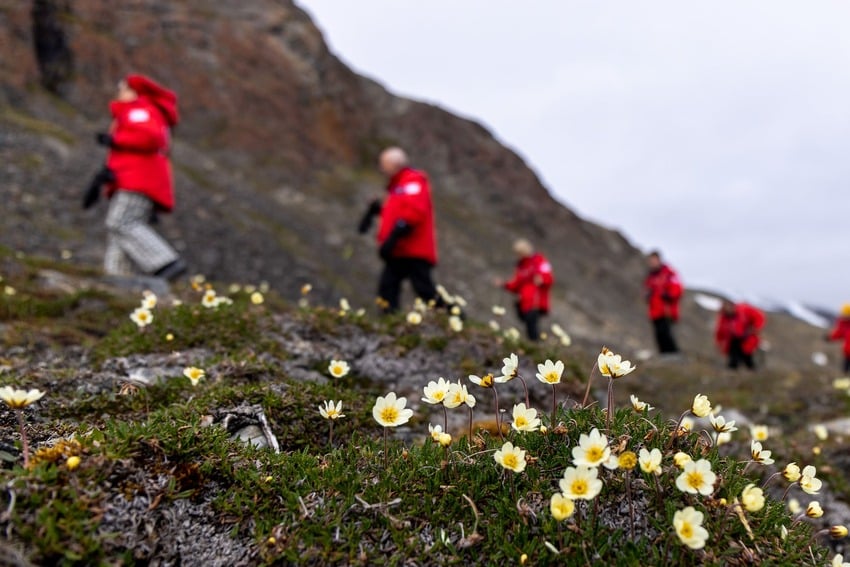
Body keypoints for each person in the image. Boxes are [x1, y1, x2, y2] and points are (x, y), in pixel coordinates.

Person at [84, 74, 186, 280]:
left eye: (123, 89)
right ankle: (117, 277)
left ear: (135, 92)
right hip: (133, 179)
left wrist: (115, 139)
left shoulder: (140, 111)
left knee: (120, 222)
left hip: (138, 181)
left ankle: (165, 261)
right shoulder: (142, 113)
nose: (119, 94)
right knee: (119, 231)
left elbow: (149, 137)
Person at [357, 147, 440, 312]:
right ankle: (390, 325)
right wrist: (376, 211)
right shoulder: (397, 186)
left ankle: (455, 318)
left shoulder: (413, 181)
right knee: (387, 288)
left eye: (383, 164)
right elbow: (396, 213)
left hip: (414, 251)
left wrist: (394, 236)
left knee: (425, 291)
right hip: (399, 251)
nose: (381, 169)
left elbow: (415, 212)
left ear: (395, 164)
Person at [496, 239, 553, 340]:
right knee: (528, 323)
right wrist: (504, 284)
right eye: (518, 253)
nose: (519, 255)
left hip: (536, 301)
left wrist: (542, 279)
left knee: (531, 325)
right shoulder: (521, 265)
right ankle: (536, 345)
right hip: (524, 301)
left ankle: (537, 347)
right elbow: (516, 284)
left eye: (521, 252)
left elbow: (549, 277)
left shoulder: (539, 260)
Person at [643, 250, 682, 354]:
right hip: (654, 311)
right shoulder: (651, 276)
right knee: (659, 335)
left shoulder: (668, 273)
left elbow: (677, 287)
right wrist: (647, 295)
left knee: (667, 333)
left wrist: (669, 295)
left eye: (654, 260)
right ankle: (664, 355)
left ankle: (674, 354)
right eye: (651, 261)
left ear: (659, 260)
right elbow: (647, 289)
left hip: (666, 311)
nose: (652, 263)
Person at [714, 300, 766, 370]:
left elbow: (759, 317)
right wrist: (720, 345)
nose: (727, 309)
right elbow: (719, 333)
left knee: (747, 358)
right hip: (733, 341)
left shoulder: (744, 309)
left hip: (747, 338)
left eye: (728, 306)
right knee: (734, 360)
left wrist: (755, 328)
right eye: (725, 307)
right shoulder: (723, 318)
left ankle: (753, 373)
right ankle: (733, 374)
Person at [826, 303, 850, 374]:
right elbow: (839, 333)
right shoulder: (843, 323)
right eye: (844, 314)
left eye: (846, 315)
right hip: (847, 352)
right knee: (845, 369)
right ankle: (846, 381)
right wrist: (830, 337)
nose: (844, 316)